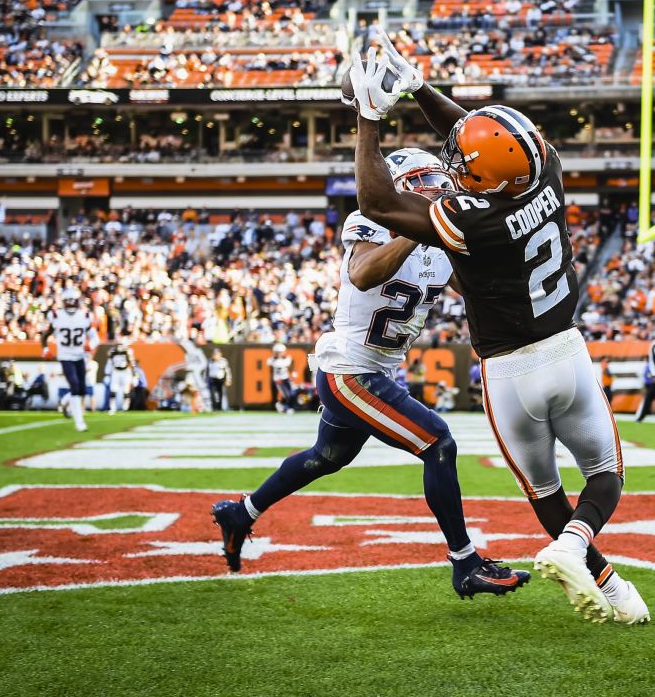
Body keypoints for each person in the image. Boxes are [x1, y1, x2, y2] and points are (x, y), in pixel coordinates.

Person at [343, 32, 647, 624]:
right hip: (565, 352)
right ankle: (580, 554)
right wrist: (421, 88)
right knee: (606, 475)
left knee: (545, 490)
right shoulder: (547, 170)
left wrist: (372, 115)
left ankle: (601, 578)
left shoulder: (466, 219)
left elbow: (377, 203)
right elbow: (482, 143)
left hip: (507, 374)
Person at [212, 147, 531, 600]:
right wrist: (417, 231)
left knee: (327, 456)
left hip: (374, 371)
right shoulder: (372, 221)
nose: (436, 191)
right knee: (437, 441)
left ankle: (241, 512)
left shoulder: (442, 238)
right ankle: (465, 563)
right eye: (423, 182)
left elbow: (479, 292)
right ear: (399, 188)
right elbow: (362, 274)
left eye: (439, 181)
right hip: (349, 371)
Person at [42, 287, 96, 432]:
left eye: (73, 301)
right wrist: (45, 349)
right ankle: (80, 423)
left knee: (81, 389)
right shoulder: (56, 315)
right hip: (65, 356)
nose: (71, 304)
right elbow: (45, 335)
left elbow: (95, 337)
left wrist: (90, 345)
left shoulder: (84, 316)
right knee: (74, 384)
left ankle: (66, 401)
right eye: (69, 301)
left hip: (79, 356)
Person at [107, 341, 136, 414]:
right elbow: (109, 360)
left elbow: (132, 363)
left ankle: (125, 407)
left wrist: (134, 374)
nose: (119, 347)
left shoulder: (128, 352)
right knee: (113, 390)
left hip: (125, 372)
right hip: (116, 371)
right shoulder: (113, 352)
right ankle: (112, 407)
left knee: (126, 390)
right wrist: (108, 372)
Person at [268, 343, 296, 413]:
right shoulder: (272, 360)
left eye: (280, 352)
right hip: (278, 380)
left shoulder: (288, 359)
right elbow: (271, 369)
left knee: (290, 394)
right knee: (286, 394)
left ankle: (286, 407)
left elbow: (291, 366)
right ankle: (285, 407)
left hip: (286, 378)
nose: (279, 354)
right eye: (278, 352)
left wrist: (292, 374)